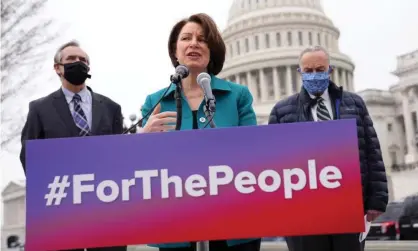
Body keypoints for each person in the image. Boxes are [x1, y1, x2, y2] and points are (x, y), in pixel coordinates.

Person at [140, 13, 261, 251]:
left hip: (234, 224)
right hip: (175, 224)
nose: (194, 43)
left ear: (212, 51)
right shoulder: (155, 102)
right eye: (186, 38)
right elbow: (142, 169)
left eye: (202, 39)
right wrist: (143, 140)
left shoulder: (238, 96)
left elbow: (254, 153)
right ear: (175, 51)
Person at [268, 45, 389, 251]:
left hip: (348, 206)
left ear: (330, 70)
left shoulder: (354, 103)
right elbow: (272, 162)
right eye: (308, 71)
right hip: (303, 210)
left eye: (320, 69)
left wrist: (377, 200)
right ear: (300, 73)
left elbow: (371, 151)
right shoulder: (282, 111)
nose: (314, 75)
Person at [19, 40, 126, 251]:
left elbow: (120, 156)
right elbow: (29, 156)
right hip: (60, 213)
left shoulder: (111, 108)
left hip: (106, 208)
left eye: (83, 60)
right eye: (71, 59)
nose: (78, 63)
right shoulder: (39, 109)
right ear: (57, 68)